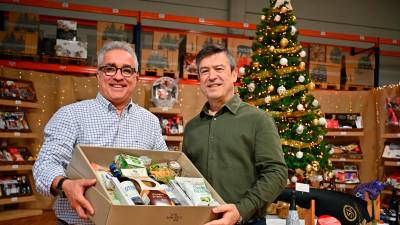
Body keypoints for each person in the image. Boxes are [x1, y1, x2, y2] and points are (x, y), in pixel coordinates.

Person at [33, 41, 168, 225]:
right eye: (110, 69)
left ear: (136, 77)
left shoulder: (150, 121)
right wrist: (66, 185)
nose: (118, 77)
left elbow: (162, 168)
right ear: (98, 75)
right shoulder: (70, 115)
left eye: (126, 70)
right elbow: (45, 165)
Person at [183, 45, 288, 225]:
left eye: (219, 69)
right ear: (199, 78)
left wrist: (241, 210)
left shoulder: (258, 120)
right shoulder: (192, 127)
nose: (212, 76)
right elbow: (186, 176)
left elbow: (276, 173)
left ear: (234, 74)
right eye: (204, 71)